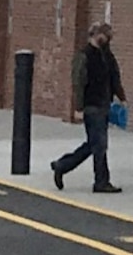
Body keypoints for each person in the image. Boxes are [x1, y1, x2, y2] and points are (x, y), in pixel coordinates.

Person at [50, 21, 125, 194]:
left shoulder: (107, 55)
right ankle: (101, 181)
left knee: (94, 144)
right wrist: (78, 108)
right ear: (96, 35)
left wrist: (121, 97)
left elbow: (115, 76)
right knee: (99, 144)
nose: (108, 40)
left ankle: (62, 165)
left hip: (104, 104)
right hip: (91, 105)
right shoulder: (84, 56)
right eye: (106, 36)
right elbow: (78, 83)